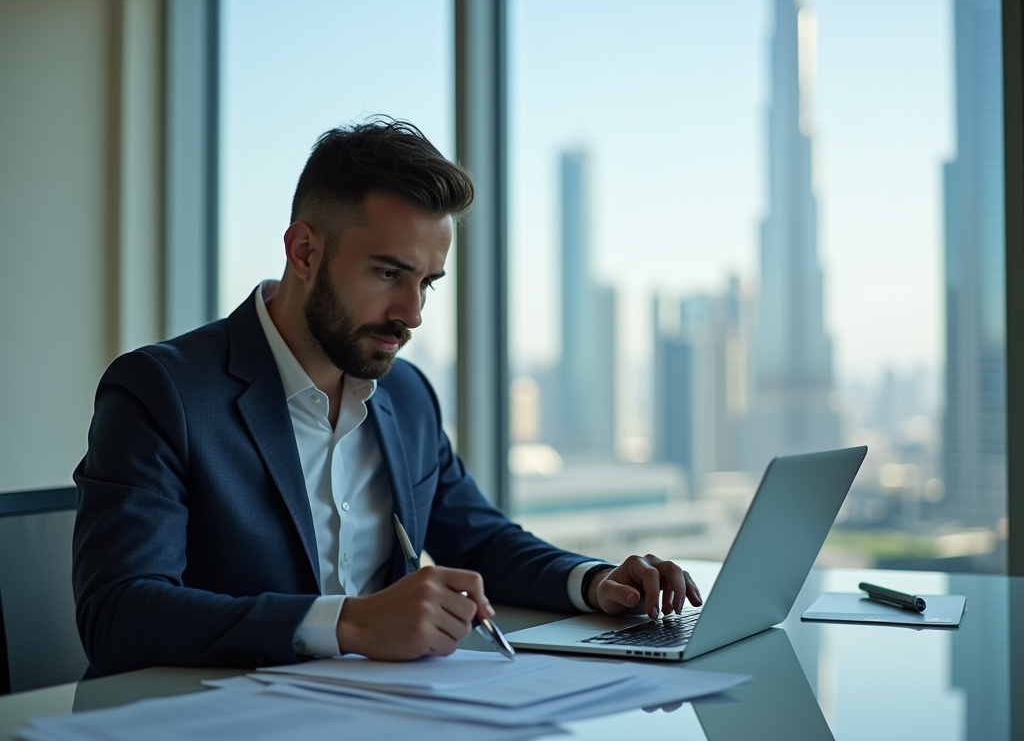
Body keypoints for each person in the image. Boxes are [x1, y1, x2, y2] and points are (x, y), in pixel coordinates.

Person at [72, 119, 702, 677]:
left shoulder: (407, 395)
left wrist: (595, 582)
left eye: (427, 283)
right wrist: (348, 624)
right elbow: (119, 611)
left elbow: (480, 540)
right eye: (387, 273)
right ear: (303, 251)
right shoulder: (164, 391)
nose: (413, 314)